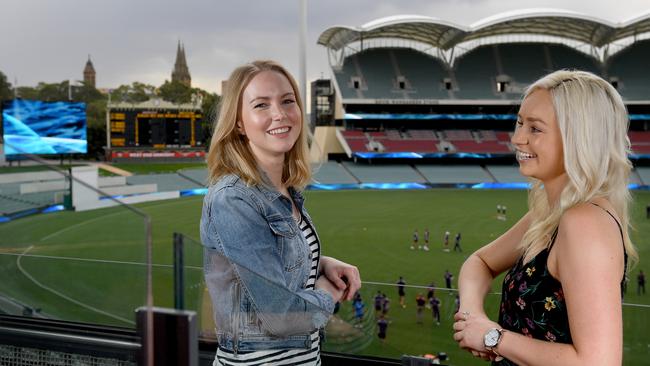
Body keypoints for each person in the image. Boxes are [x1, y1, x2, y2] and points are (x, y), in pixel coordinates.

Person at [452, 70, 637, 365]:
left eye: (535, 129)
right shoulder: (552, 214)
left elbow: (598, 362)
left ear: (578, 138)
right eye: (520, 122)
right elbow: (480, 262)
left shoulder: (584, 221)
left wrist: (494, 338)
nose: (517, 138)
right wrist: (473, 316)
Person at [201, 60, 361, 365]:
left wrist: (321, 262)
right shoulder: (233, 199)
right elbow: (281, 317)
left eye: (288, 101)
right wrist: (328, 292)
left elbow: (269, 263)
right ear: (238, 122)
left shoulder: (284, 192)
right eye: (261, 105)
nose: (280, 114)